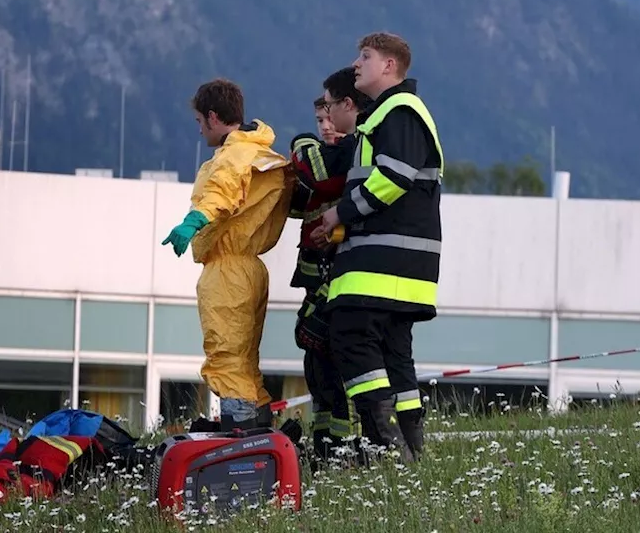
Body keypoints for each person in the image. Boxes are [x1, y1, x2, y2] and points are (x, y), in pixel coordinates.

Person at [312, 32, 443, 462]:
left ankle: (385, 447)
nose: (356, 64)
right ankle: (411, 454)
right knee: (393, 354)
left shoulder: (399, 110)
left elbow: (395, 176)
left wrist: (339, 215)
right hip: (400, 270)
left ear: (389, 66)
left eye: (365, 56)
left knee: (350, 335)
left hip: (382, 265)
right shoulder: (383, 117)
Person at [161, 78, 294, 431]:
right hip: (250, 266)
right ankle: (259, 429)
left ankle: (240, 436)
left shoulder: (234, 155)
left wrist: (192, 222)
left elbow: (222, 192)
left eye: (200, 122)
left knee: (226, 356)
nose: (200, 130)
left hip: (228, 268)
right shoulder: (261, 153)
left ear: (213, 117)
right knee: (246, 359)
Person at [286, 68, 371, 469]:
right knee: (315, 367)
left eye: (329, 118)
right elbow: (297, 199)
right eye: (318, 121)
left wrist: (300, 144)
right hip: (314, 277)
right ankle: (322, 443)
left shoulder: (345, 154)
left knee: (334, 361)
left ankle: (339, 446)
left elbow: (316, 170)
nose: (326, 128)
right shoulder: (321, 161)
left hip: (337, 279)